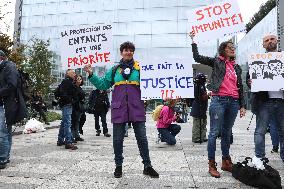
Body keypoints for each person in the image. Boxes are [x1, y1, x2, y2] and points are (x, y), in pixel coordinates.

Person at [84, 41, 159, 178]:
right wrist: (90, 73)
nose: (128, 52)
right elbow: (102, 85)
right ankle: (118, 166)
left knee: (142, 138)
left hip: (137, 107)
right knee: (118, 139)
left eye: (131, 50)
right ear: (121, 52)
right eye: (125, 50)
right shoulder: (114, 70)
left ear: (133, 52)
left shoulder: (141, 68)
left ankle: (147, 166)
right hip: (119, 108)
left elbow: (152, 85)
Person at [189, 33, 246, 178]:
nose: (233, 49)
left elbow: (240, 87)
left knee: (227, 132)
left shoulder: (237, 67)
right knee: (214, 132)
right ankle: (211, 164)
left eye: (234, 47)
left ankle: (226, 161)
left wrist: (242, 105)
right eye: (229, 47)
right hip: (218, 100)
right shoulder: (216, 62)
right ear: (223, 50)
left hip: (233, 102)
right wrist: (193, 41)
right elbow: (197, 58)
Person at [248, 34, 284, 166]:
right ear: (263, 45)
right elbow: (249, 78)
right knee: (260, 131)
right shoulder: (257, 60)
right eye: (266, 40)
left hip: (281, 100)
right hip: (264, 101)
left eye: (272, 39)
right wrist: (250, 81)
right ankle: (259, 157)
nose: (269, 42)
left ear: (277, 41)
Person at [0, 50, 27, 169]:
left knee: (2, 133)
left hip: (7, 105)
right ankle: (5, 156)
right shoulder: (4, 68)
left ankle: (2, 159)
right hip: (4, 104)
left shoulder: (9, 67)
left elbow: (12, 85)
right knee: (6, 132)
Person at [57, 69, 78, 150]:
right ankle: (68, 142)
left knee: (64, 122)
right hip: (67, 104)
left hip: (67, 104)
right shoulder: (66, 82)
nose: (74, 74)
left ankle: (60, 140)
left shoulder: (70, 82)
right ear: (67, 74)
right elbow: (63, 93)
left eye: (74, 72)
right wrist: (70, 100)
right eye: (72, 72)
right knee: (67, 123)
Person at [190, 73, 208, 143]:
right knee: (197, 124)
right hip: (198, 108)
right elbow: (200, 97)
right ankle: (196, 138)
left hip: (202, 108)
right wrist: (207, 95)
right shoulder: (198, 86)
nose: (205, 79)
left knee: (203, 123)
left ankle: (203, 137)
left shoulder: (202, 85)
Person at [71, 74, 86, 142]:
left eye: (80, 79)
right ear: (75, 80)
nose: (79, 80)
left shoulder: (80, 88)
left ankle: (76, 136)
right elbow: (75, 98)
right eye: (78, 79)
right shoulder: (73, 87)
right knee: (73, 122)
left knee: (77, 122)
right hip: (75, 107)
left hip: (80, 107)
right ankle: (71, 137)